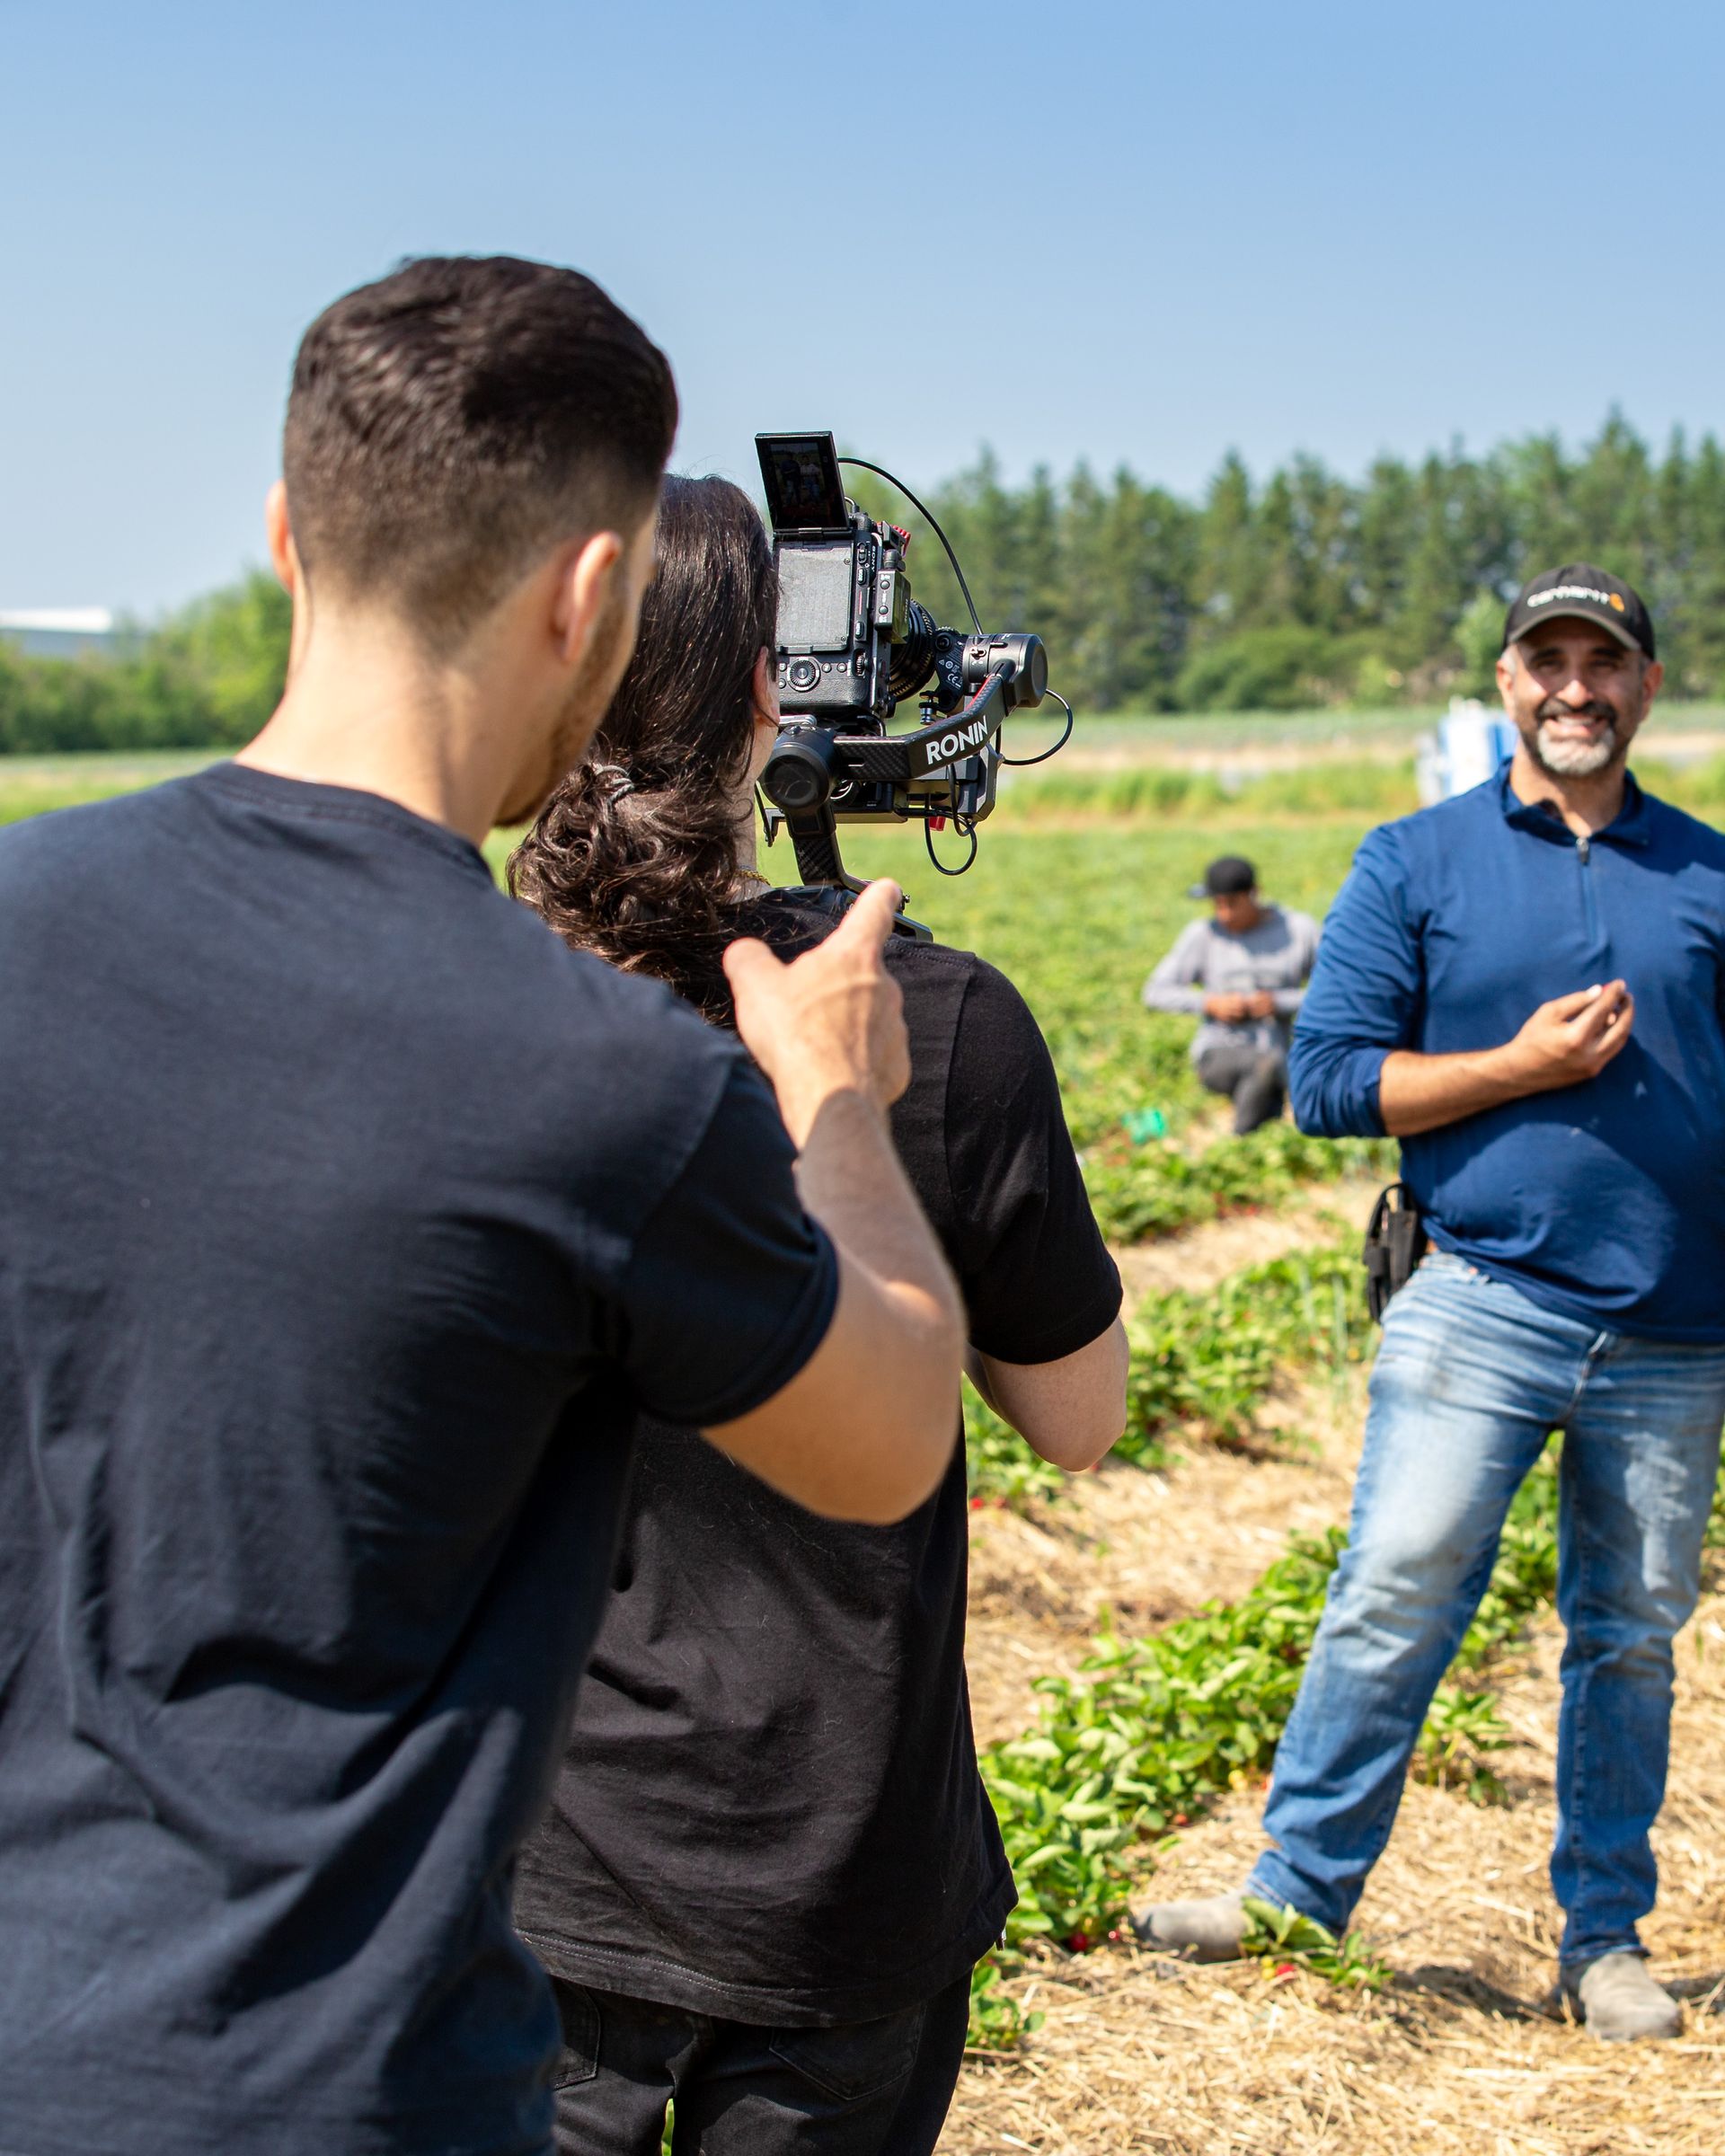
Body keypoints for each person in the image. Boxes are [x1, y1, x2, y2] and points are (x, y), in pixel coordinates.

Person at [0, 259, 969, 2156]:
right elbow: (890, 1439)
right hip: (345, 2083)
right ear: (595, 594)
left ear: (291, 537)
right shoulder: (599, 1081)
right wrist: (841, 1103)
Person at [505, 475, 1129, 2155]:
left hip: (519, 1859)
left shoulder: (451, 1002)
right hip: (834, 1870)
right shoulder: (935, 1023)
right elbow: (1079, 1420)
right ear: (778, 697)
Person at [1133, 564, 1725, 2044]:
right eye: (1548, 660)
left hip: (1680, 1324)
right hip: (1484, 1295)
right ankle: (1296, 1891)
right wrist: (1517, 1069)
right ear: (1510, 684)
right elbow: (1327, 1080)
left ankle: (1605, 1940)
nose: (1575, 686)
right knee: (1395, 1586)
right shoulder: (1415, 860)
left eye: (1605, 662)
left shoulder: (1712, 875)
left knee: (1631, 1635)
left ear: (1647, 688)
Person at [1140, 855, 1320, 1133]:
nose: (1224, 914)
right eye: (1217, 905)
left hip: (1282, 1050)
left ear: (1254, 894)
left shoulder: (1298, 930)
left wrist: (1279, 1003)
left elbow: (1335, 992)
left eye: (1232, 904)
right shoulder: (1203, 935)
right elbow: (1154, 991)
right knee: (1264, 1065)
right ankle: (1241, 1140)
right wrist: (1210, 1003)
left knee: (1275, 1069)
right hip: (1218, 1053)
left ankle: (1265, 1130)